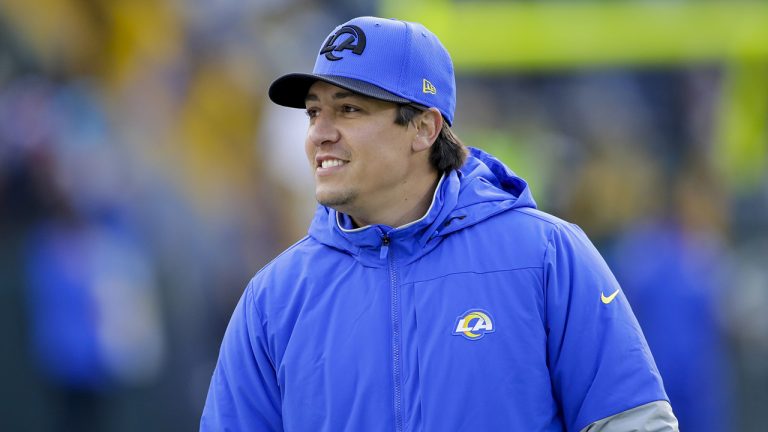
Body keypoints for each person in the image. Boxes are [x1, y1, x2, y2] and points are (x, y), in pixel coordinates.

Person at [201, 16, 678, 431]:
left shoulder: (547, 256)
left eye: (348, 109)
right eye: (313, 113)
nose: (319, 134)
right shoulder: (273, 298)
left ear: (424, 128)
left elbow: (633, 422)